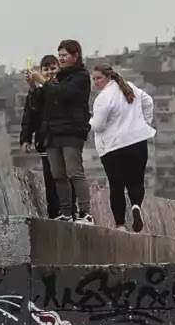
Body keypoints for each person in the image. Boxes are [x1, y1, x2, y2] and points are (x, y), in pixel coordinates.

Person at [90, 64, 157, 232]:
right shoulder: (130, 87)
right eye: (94, 79)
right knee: (136, 181)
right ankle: (136, 206)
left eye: (98, 78)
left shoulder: (103, 98)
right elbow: (148, 102)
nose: (95, 82)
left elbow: (97, 126)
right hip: (137, 143)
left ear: (108, 77)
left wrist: (88, 121)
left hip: (114, 147)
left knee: (117, 185)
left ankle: (120, 225)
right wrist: (144, 122)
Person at [37, 39, 93, 223]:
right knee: (58, 174)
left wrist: (44, 83)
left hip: (71, 131)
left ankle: (85, 212)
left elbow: (63, 94)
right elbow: (42, 102)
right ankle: (66, 212)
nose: (61, 59)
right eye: (59, 55)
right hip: (52, 132)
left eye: (64, 55)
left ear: (75, 56)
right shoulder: (58, 78)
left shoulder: (81, 76)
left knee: (74, 172)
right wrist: (34, 86)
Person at [20, 54, 61, 218]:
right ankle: (54, 212)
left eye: (53, 68)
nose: (50, 72)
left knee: (66, 176)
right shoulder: (38, 92)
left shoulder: (64, 89)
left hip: (63, 140)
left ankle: (70, 210)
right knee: (50, 178)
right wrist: (25, 139)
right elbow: (29, 115)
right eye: (46, 69)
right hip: (45, 141)